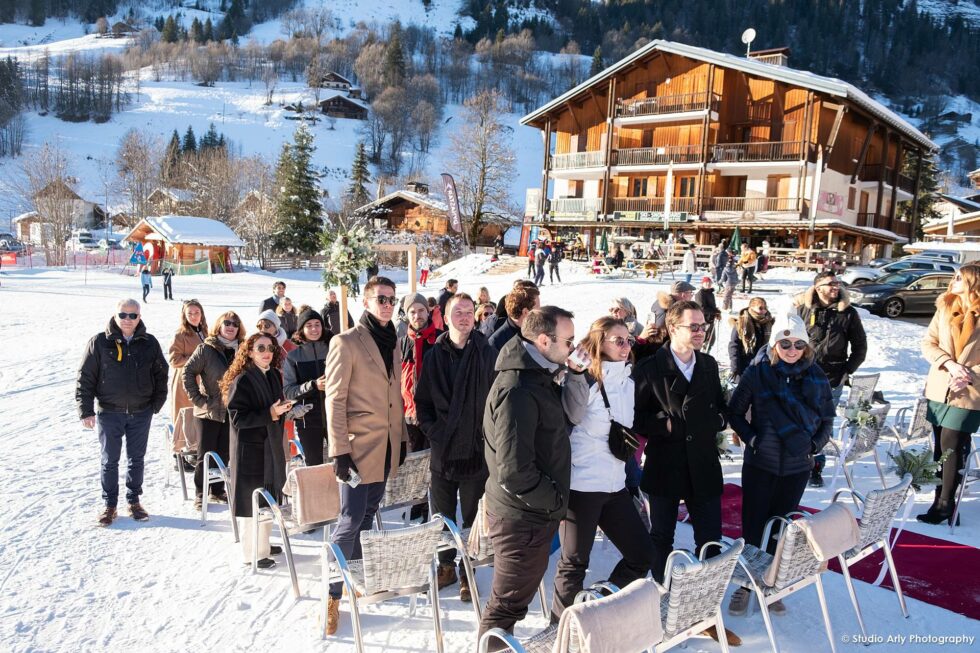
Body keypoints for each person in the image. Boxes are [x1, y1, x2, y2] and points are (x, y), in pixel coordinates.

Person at [726, 313, 833, 616]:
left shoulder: (816, 376)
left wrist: (813, 446)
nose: (791, 348)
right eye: (785, 342)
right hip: (761, 464)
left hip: (797, 467)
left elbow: (827, 419)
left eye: (798, 343)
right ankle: (746, 586)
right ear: (775, 344)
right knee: (754, 526)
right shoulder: (757, 374)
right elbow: (734, 412)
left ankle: (772, 585)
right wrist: (753, 439)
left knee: (782, 528)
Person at [479, 306, 575, 642]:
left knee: (511, 604)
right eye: (568, 341)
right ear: (545, 340)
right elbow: (514, 471)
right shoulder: (518, 387)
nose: (572, 348)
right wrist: (554, 500)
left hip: (532, 513)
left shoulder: (538, 376)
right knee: (505, 609)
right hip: (523, 517)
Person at [323, 276, 409, 635]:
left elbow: (395, 395)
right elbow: (335, 399)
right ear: (366, 301)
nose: (387, 305)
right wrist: (340, 451)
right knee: (349, 520)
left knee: (368, 513)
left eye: (392, 299)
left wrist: (401, 437)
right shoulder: (345, 342)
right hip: (357, 450)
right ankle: (331, 595)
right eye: (381, 299)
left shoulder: (392, 342)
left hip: (384, 449)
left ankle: (355, 578)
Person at [553, 316, 652, 621]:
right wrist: (573, 376)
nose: (626, 346)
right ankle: (561, 630)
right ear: (600, 341)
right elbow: (569, 417)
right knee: (574, 564)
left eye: (628, 340)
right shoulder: (583, 380)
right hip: (582, 486)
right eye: (618, 340)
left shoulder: (629, 382)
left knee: (642, 555)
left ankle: (597, 604)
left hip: (615, 485)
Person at [633, 301, 726, 584]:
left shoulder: (708, 364)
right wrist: (667, 424)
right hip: (665, 464)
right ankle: (661, 592)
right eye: (694, 326)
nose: (701, 332)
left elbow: (720, 406)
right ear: (673, 328)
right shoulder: (649, 368)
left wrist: (718, 421)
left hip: (703, 462)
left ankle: (705, 595)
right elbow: (634, 417)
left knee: (711, 538)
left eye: (704, 326)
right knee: (661, 537)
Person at [415, 293, 496, 601]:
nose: (464, 316)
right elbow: (423, 403)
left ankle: (467, 571)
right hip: (444, 451)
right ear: (445, 318)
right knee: (443, 517)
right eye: (457, 312)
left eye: (468, 311)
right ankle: (446, 566)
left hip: (476, 452)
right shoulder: (435, 356)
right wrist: (435, 432)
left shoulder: (487, 354)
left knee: (474, 518)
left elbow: (497, 403)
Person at [76, 299, 168, 526]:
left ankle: (134, 500)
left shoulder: (149, 343)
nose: (128, 320)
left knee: (136, 459)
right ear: (115, 315)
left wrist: (156, 404)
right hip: (109, 412)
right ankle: (109, 505)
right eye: (123, 315)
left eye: (133, 316)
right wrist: (86, 410)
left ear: (139, 317)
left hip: (140, 412)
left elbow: (161, 374)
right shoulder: (99, 342)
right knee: (110, 460)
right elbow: (85, 377)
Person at [222, 333, 290, 569]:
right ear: (249, 351)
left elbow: (274, 407)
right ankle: (252, 553)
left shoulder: (271, 374)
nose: (266, 351)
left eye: (270, 347)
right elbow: (237, 417)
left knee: (268, 497)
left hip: (270, 446)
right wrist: (269, 414)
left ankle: (264, 544)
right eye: (260, 347)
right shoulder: (242, 380)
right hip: (249, 450)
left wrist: (285, 409)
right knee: (252, 501)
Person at [919, 266, 980, 525]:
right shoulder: (945, 307)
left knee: (950, 443)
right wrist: (949, 364)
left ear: (972, 283)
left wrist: (967, 375)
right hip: (940, 386)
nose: (953, 281)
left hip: (969, 392)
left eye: (958, 278)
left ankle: (944, 504)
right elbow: (928, 343)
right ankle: (942, 498)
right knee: (941, 447)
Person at [794, 271, 867, 487]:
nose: (836, 286)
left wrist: (847, 370)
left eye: (837, 283)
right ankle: (798, 461)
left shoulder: (849, 313)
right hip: (802, 375)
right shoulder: (803, 310)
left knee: (823, 423)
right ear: (818, 288)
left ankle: (816, 467)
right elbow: (790, 339)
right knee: (799, 419)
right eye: (831, 283)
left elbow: (860, 347)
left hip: (832, 379)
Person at [183, 311, 243, 509]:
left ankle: (217, 490)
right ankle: (201, 492)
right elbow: (188, 373)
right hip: (208, 411)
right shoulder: (206, 349)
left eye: (235, 324)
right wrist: (199, 400)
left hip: (232, 411)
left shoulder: (242, 350)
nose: (231, 326)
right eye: (227, 323)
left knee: (224, 452)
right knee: (205, 454)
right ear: (219, 325)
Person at [283, 308, 332, 467]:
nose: (314, 329)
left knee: (341, 464)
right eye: (309, 325)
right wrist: (313, 385)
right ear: (301, 330)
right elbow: (289, 391)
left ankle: (339, 493)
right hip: (308, 421)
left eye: (317, 324)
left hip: (336, 418)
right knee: (314, 466)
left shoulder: (334, 349)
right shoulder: (293, 357)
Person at [398, 293, 442, 454]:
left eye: (421, 310)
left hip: (436, 414)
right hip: (410, 415)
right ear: (407, 315)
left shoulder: (441, 339)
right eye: (412, 312)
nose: (418, 316)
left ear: (428, 311)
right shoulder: (402, 343)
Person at [168, 300, 208, 427]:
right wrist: (196, 359)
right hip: (185, 383)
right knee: (186, 418)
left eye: (196, 312)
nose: (194, 316)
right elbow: (174, 360)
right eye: (189, 313)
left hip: (203, 381)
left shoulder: (206, 331)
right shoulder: (180, 334)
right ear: (184, 315)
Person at [728, 297, 774, 380]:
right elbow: (734, 346)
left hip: (764, 364)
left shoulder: (768, 322)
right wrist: (735, 368)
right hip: (746, 365)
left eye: (765, 308)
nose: (764, 311)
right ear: (751, 308)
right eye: (760, 308)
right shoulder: (741, 324)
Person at [488, 283, 541, 352]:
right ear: (525, 312)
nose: (540, 312)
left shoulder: (538, 332)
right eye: (538, 309)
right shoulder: (496, 342)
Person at [695, 276, 721, 353]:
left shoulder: (711, 293)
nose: (708, 284)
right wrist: (714, 311)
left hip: (711, 319)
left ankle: (706, 354)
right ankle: (699, 355)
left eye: (709, 283)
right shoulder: (700, 294)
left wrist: (717, 311)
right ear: (702, 284)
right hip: (703, 320)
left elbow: (712, 306)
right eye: (706, 283)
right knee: (703, 339)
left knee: (711, 339)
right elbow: (701, 308)